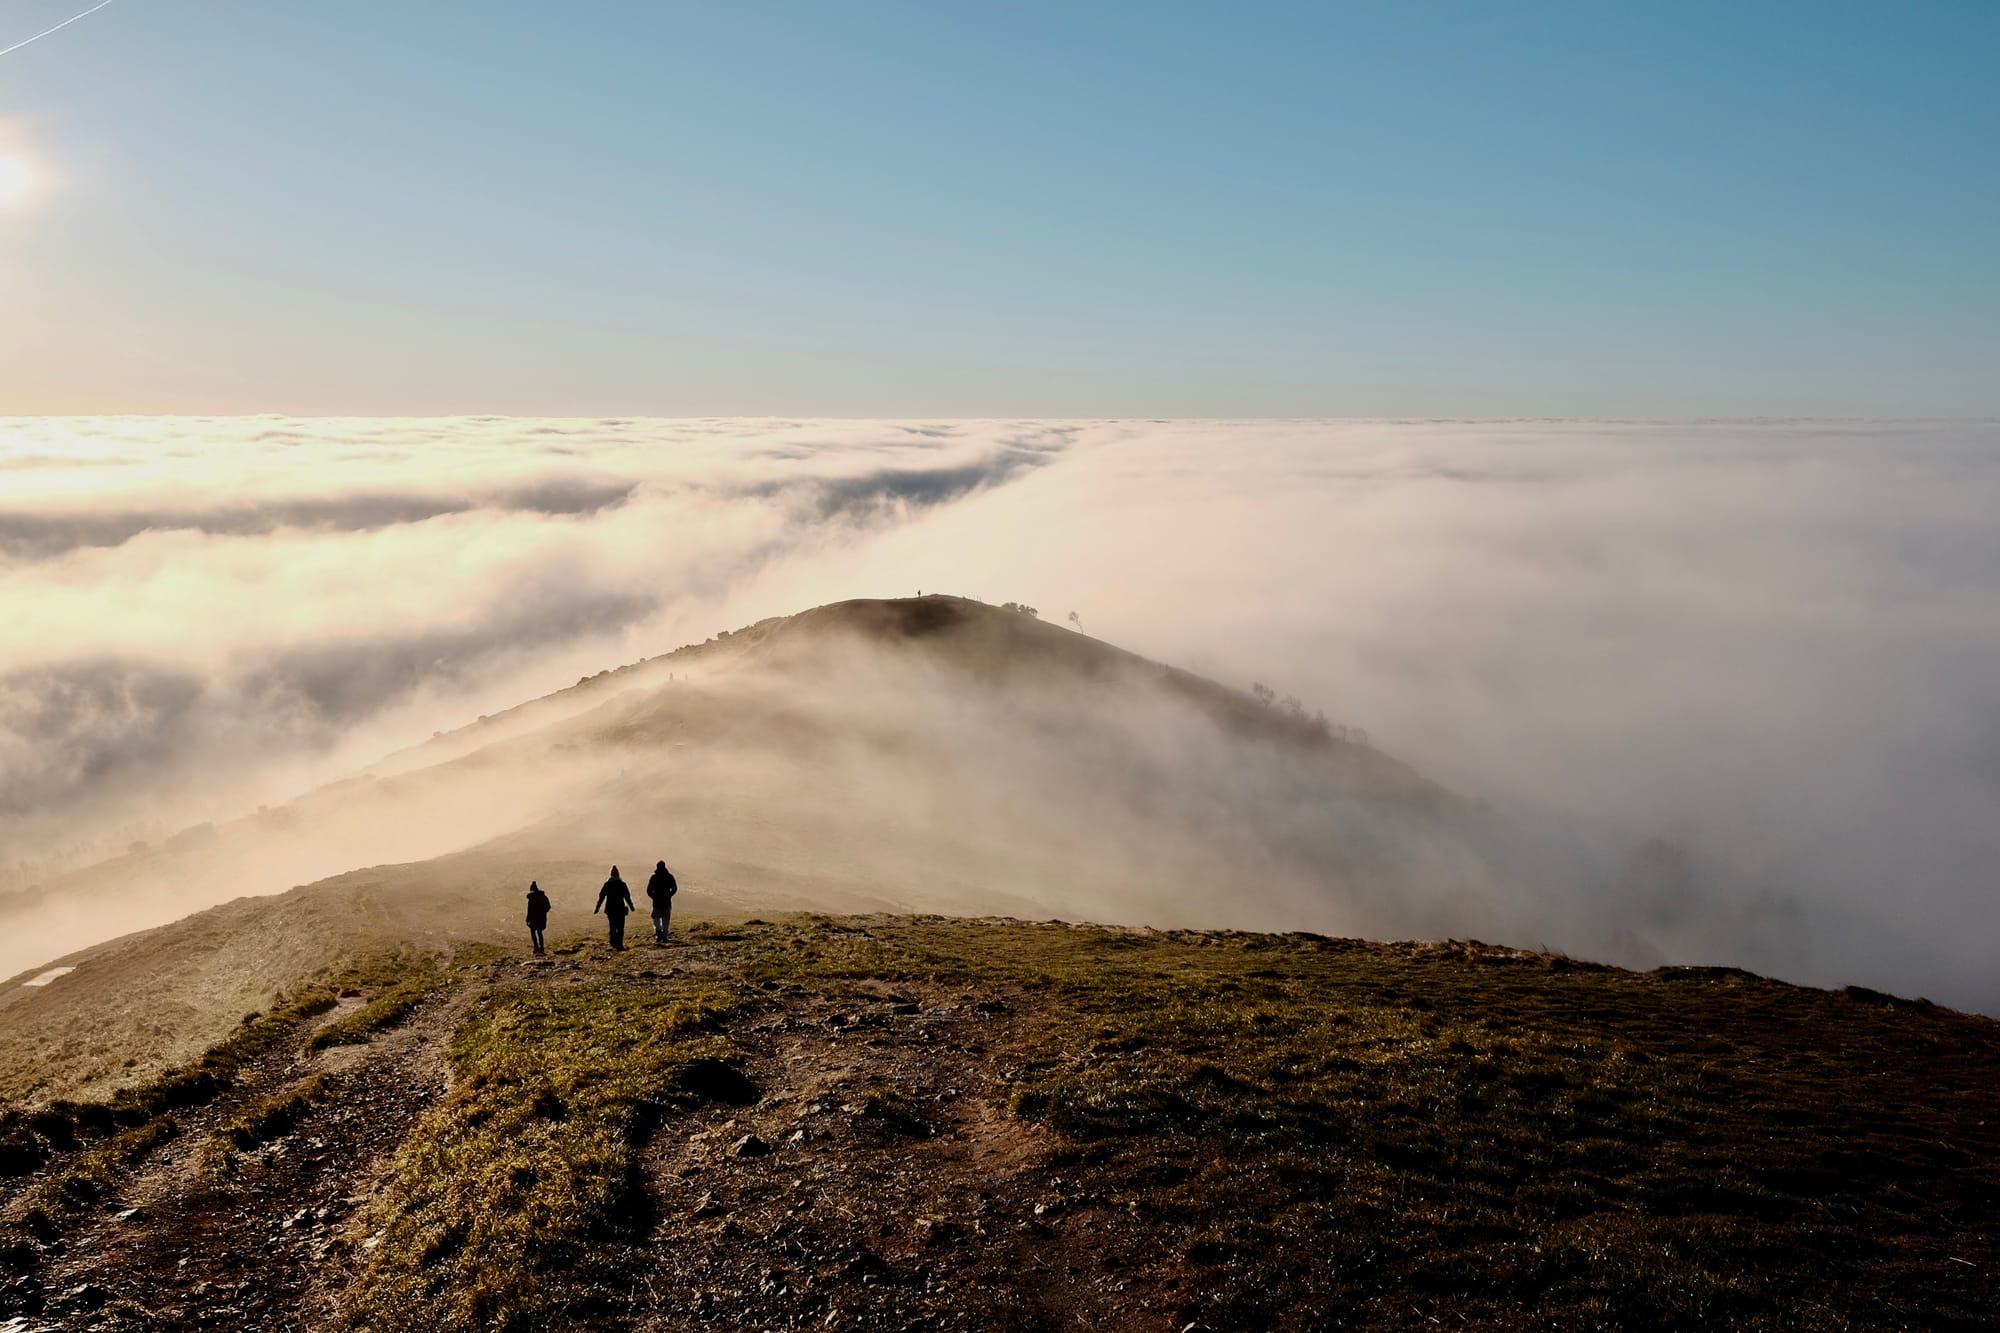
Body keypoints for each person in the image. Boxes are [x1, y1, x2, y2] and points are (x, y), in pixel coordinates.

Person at [595, 865, 634, 949]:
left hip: (610, 909)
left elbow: (601, 897)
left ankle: (613, 942)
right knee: (620, 927)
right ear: (618, 874)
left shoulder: (607, 884)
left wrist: (597, 908)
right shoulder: (622, 884)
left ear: (611, 875)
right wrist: (631, 907)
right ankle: (619, 944)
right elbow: (627, 897)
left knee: (612, 926)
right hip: (620, 909)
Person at [646, 860, 678, 943]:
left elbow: (649, 890)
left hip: (657, 902)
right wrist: (669, 895)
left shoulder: (654, 877)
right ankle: (664, 935)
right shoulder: (669, 876)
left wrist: (654, 897)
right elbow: (674, 888)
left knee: (655, 917)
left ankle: (658, 930)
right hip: (667, 902)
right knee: (666, 919)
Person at [524, 880, 551, 955]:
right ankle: (541, 948)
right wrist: (543, 912)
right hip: (541, 918)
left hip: (533, 918)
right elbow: (548, 907)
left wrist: (527, 919)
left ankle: (536, 947)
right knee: (540, 932)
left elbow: (529, 910)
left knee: (533, 932)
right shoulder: (543, 897)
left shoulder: (531, 898)